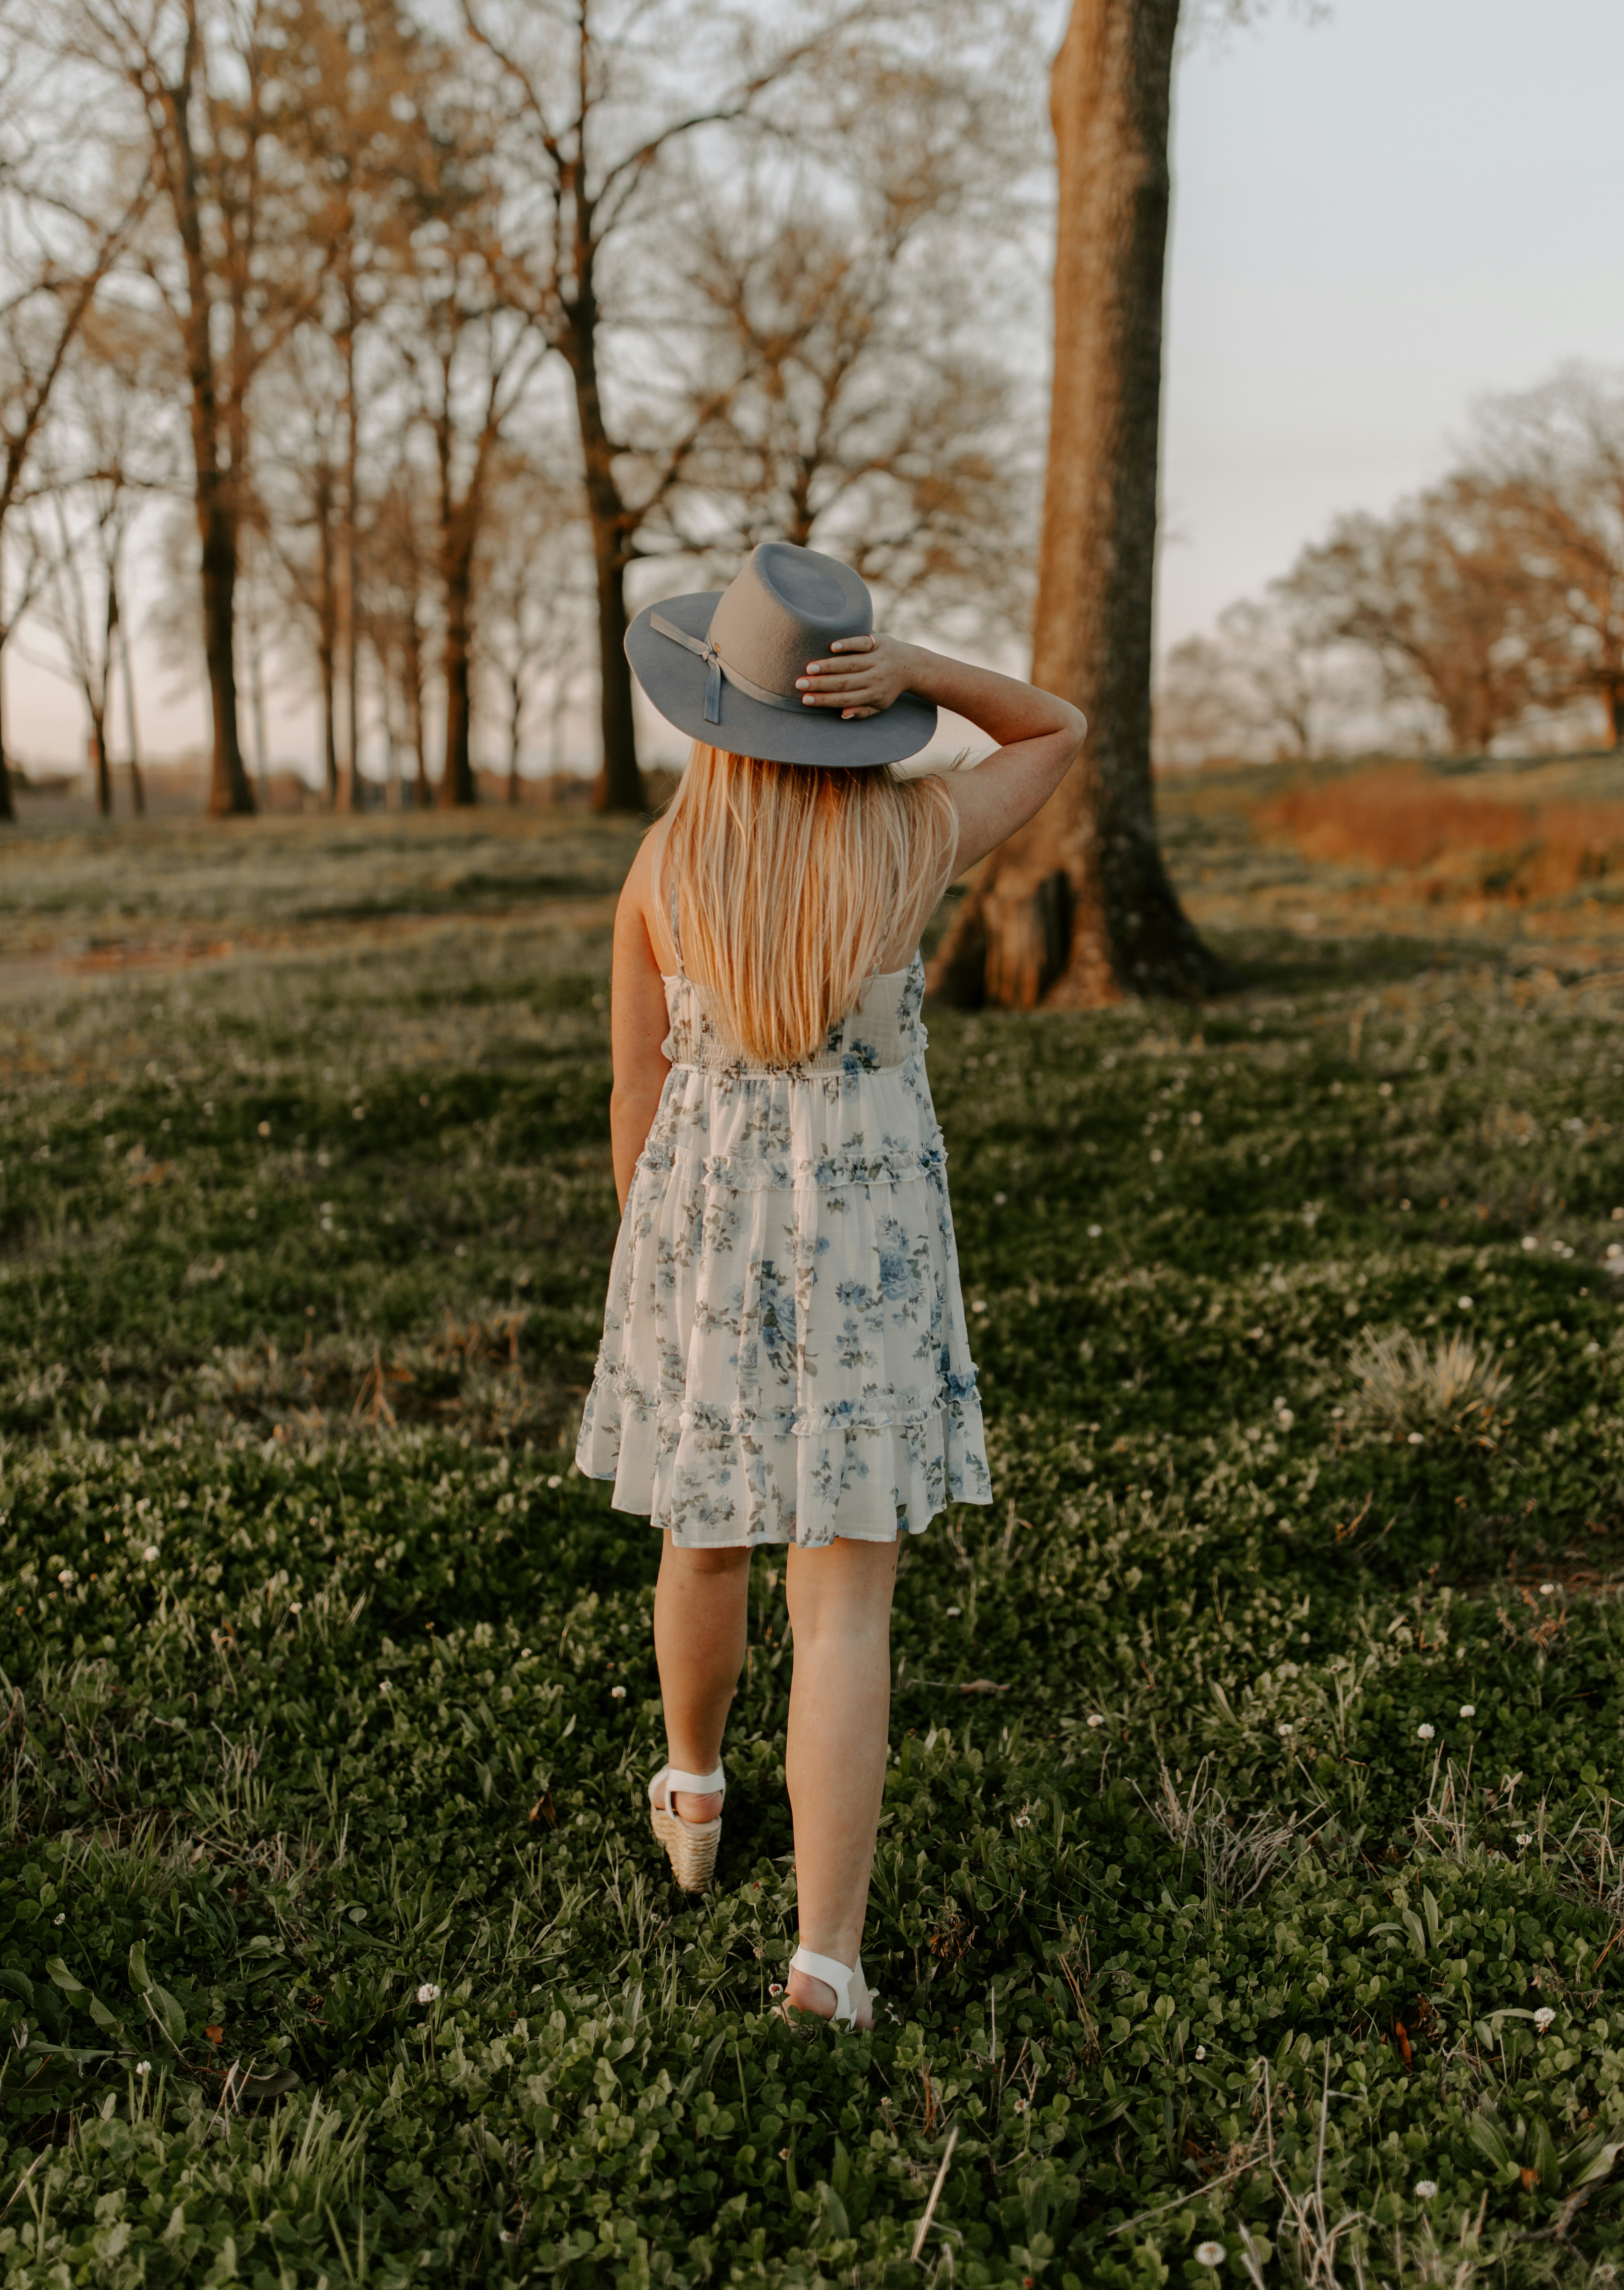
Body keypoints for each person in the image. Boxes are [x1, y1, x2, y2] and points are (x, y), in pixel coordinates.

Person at [576, 542, 1086, 2029]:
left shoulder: (667, 868)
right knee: (846, 1603)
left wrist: (658, 1257)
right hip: (866, 1258)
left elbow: (633, 1087)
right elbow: (1058, 729)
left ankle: (693, 1793)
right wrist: (922, 671)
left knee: (703, 1536)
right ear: (851, 714)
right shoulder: (910, 837)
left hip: (704, 1244)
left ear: (711, 715)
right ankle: (826, 1965)